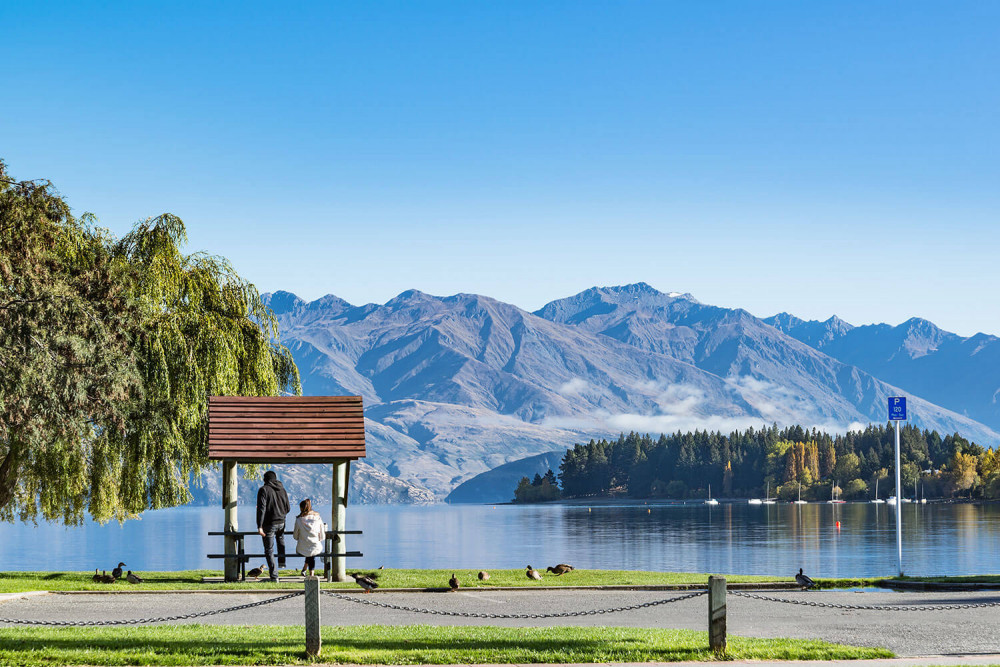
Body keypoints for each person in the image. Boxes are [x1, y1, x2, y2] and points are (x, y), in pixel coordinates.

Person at [256, 470, 290, 582]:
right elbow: (288, 508)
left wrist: (259, 526)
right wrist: (281, 514)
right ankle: (282, 562)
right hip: (282, 522)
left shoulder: (263, 490)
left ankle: (274, 576)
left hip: (269, 524)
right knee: (280, 539)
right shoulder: (282, 489)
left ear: (265, 479)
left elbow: (262, 509)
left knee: (269, 550)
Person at [292, 498, 326, 577]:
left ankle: (305, 569)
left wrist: (302, 538)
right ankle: (311, 575)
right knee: (312, 550)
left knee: (309, 550)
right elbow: (322, 535)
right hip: (315, 546)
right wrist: (318, 539)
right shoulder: (318, 518)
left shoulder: (298, 520)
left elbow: (295, 536)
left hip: (302, 548)